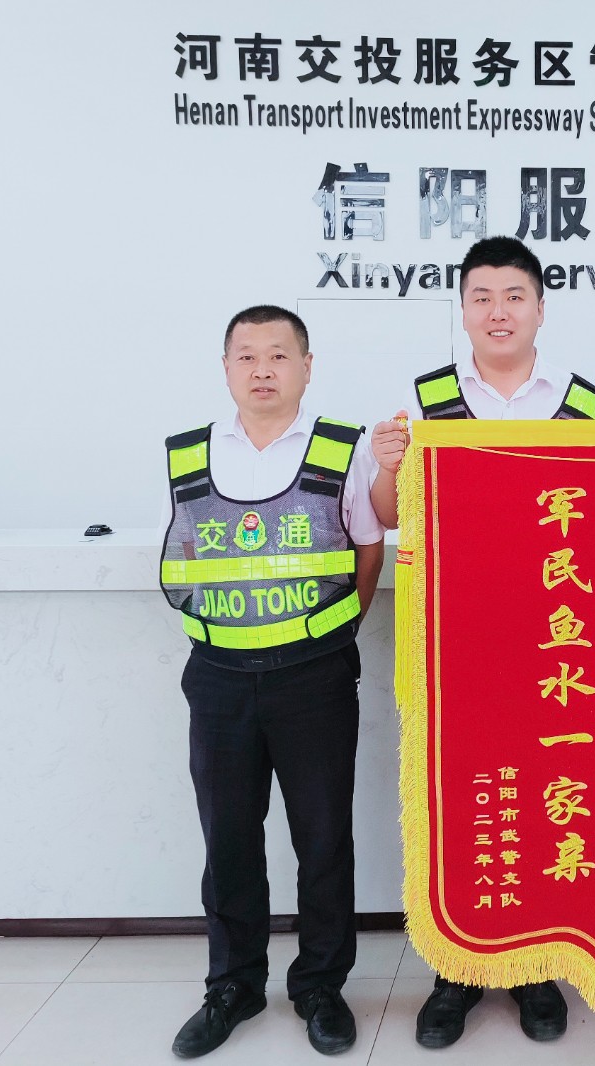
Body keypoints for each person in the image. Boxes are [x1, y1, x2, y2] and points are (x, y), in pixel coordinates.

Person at [370, 236, 595, 1048]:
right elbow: (391, 515)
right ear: (463, 310)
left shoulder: (586, 409)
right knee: (461, 803)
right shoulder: (427, 404)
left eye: (513, 296)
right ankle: (456, 970)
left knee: (545, 801)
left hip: (557, 649)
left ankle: (536, 968)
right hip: (456, 648)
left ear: (540, 308)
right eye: (482, 297)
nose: (497, 312)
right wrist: (387, 465)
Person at [160, 305, 386, 1057]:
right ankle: (234, 983)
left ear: (306, 366)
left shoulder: (343, 449)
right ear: (226, 368)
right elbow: (186, 554)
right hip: (219, 677)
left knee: (322, 837)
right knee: (227, 835)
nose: (263, 369)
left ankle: (320, 984)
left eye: (279, 355)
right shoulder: (191, 456)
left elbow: (367, 545)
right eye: (247, 356)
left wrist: (334, 634)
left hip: (314, 676)